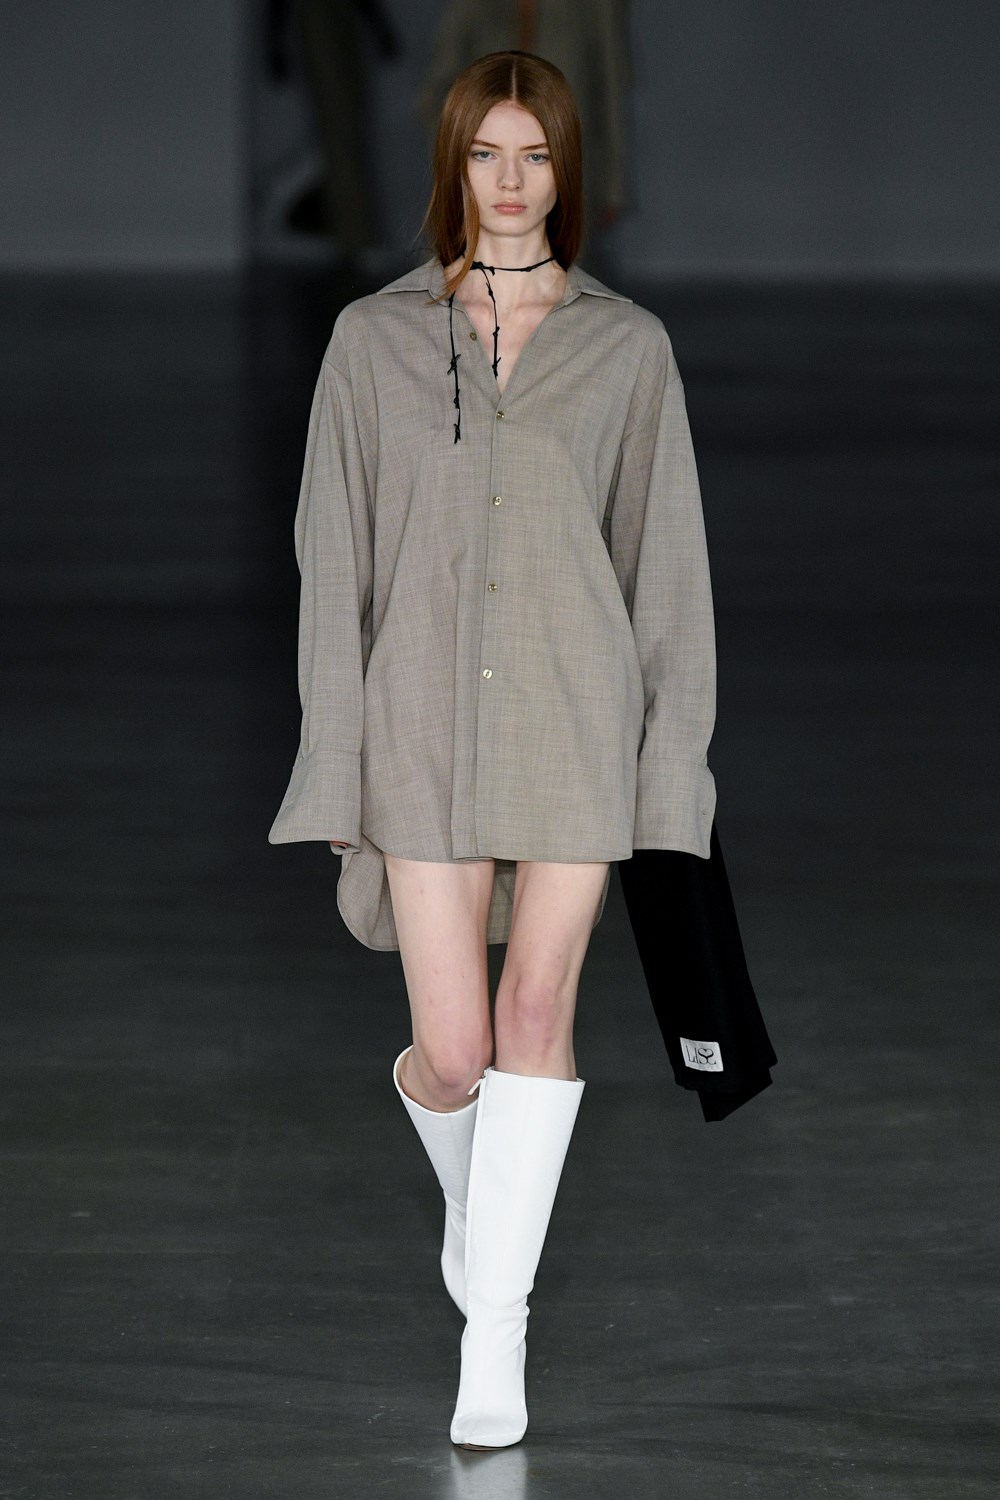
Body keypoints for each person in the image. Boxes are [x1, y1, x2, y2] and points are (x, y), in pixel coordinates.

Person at [269, 50, 717, 1449]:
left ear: (565, 169)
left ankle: (496, 1330)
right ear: (451, 165)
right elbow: (331, 567)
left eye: (534, 155)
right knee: (457, 1052)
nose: (510, 182)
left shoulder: (628, 350)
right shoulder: (372, 342)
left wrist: (672, 788)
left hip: (577, 724)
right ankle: (482, 1214)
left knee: (537, 1018)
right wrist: (334, 768)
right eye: (485, 154)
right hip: (414, 722)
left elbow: (667, 581)